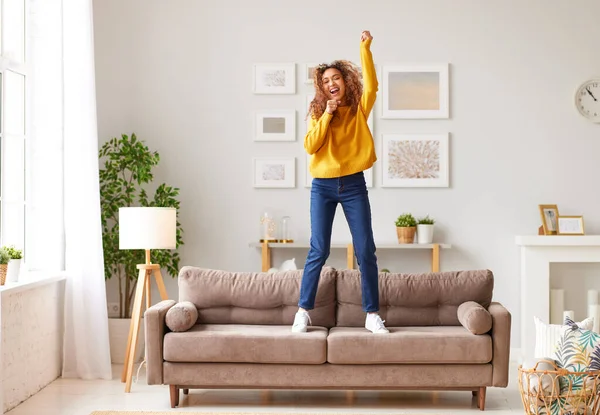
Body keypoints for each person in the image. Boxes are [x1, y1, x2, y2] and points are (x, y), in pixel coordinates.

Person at [292, 30, 388, 334]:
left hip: (353, 185)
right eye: (325, 81)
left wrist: (365, 48)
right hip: (322, 187)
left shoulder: (359, 108)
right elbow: (311, 146)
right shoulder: (319, 112)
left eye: (336, 78)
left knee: (365, 250)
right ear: (321, 88)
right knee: (318, 249)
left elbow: (372, 85)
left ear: (345, 81)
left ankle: (372, 314)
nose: (331, 83)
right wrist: (327, 117)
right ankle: (303, 312)